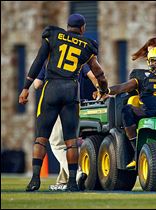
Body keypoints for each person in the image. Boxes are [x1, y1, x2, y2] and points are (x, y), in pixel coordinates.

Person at [18, 13, 109, 192]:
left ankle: (35, 180)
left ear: (67, 26)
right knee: (71, 142)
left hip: (51, 88)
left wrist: (25, 88)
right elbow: (98, 73)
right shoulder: (87, 46)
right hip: (70, 91)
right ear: (82, 28)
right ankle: (73, 183)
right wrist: (104, 90)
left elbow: (38, 62)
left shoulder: (53, 35)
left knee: (41, 138)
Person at [107, 47, 156, 168]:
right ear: (149, 61)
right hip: (146, 111)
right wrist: (107, 90)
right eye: (155, 61)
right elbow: (123, 87)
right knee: (127, 109)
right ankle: (135, 151)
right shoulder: (142, 75)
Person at [33, 63, 98, 191]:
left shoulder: (49, 61)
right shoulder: (78, 59)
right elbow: (92, 75)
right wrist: (99, 90)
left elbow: (36, 84)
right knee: (69, 144)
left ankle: (78, 173)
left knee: (57, 144)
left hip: (56, 104)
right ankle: (63, 181)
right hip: (75, 105)